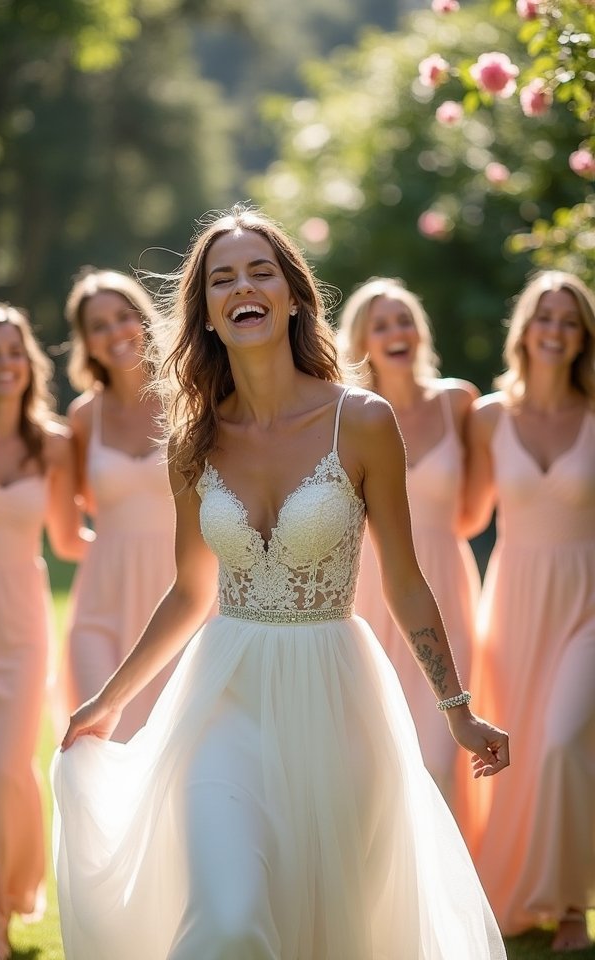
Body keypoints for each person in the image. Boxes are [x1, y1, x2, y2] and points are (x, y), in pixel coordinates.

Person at [52, 206, 509, 960]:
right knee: (230, 916)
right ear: (205, 313)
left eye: (260, 272)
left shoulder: (362, 421)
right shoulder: (193, 439)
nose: (243, 287)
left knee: (330, 927)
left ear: (294, 296)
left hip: (335, 694)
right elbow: (190, 591)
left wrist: (456, 709)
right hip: (225, 696)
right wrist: (109, 701)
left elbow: (404, 580)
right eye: (222, 279)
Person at [462, 270, 595, 952]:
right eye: (546, 317)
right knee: (516, 750)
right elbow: (464, 515)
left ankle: (570, 903)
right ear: (525, 329)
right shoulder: (490, 416)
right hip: (513, 601)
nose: (556, 330)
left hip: (587, 602)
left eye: (570, 321)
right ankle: (517, 887)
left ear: (584, 338)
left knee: (564, 741)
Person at [0, 304, 89, 960]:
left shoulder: (54, 443)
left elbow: (67, 536)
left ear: (29, 364)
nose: (4, 364)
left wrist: (151, 547)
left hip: (21, 624)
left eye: (14, 352)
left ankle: (11, 889)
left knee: (8, 770)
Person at [338, 277, 480, 812]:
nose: (396, 333)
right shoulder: (349, 415)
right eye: (381, 325)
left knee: (439, 760)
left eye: (405, 321)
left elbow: (473, 512)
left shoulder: (458, 402)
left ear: (420, 332)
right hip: (371, 595)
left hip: (445, 591)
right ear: (362, 341)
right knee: (377, 762)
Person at [57, 268, 179, 741]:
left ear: (144, 320)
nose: (114, 332)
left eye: (123, 317)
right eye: (98, 326)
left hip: (180, 595)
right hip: (101, 602)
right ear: (86, 342)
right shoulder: (83, 417)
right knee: (98, 741)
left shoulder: (187, 398)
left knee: (172, 747)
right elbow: (80, 512)